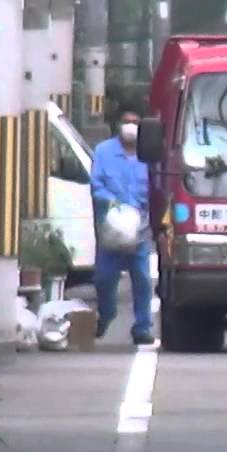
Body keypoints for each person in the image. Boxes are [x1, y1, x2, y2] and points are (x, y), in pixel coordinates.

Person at [90, 110, 154, 346]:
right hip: (112, 229)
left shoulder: (149, 153)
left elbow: (156, 187)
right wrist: (112, 203)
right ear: (118, 125)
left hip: (139, 229)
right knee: (104, 278)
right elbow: (96, 185)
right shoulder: (104, 152)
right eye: (126, 122)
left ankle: (142, 327)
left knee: (143, 279)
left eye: (135, 123)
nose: (130, 127)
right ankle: (106, 314)